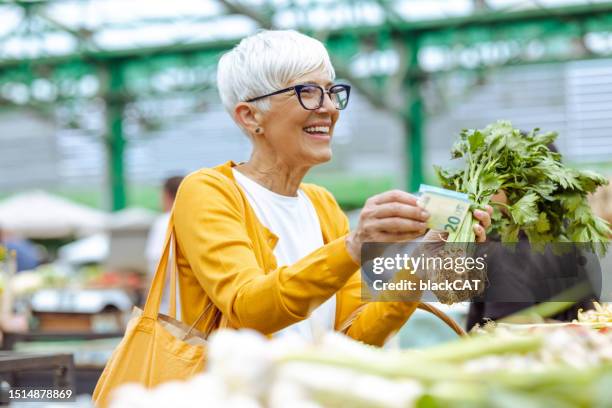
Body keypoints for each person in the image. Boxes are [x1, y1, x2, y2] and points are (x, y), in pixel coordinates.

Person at [172, 30, 491, 345]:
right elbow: (249, 307)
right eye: (307, 92)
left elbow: (356, 336)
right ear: (250, 115)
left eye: (330, 91)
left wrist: (424, 261)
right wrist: (354, 245)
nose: (329, 108)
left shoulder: (321, 205)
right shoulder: (209, 191)